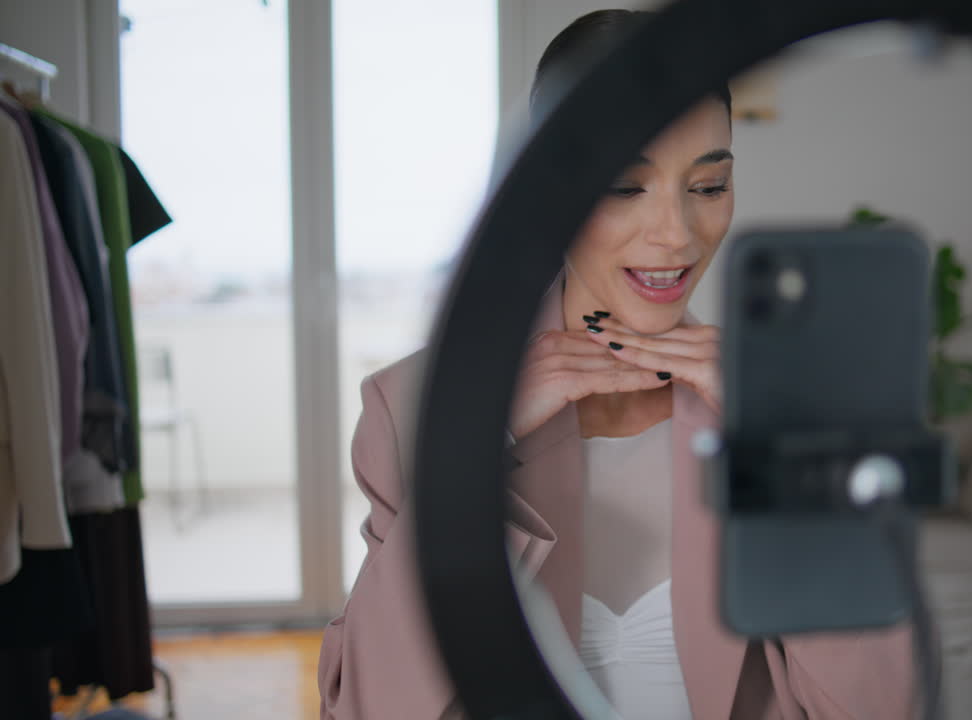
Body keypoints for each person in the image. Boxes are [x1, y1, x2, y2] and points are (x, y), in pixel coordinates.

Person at [318, 9, 914, 719]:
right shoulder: (412, 407)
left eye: (708, 187)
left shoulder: (796, 400)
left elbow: (882, 706)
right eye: (625, 186)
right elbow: (365, 704)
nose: (676, 235)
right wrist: (475, 446)